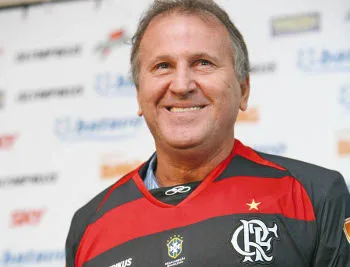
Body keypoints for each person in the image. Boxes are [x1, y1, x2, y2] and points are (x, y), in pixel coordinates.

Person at [65, 0, 350, 266]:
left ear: (244, 90)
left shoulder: (317, 196)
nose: (181, 85)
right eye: (163, 66)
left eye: (203, 63)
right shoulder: (89, 225)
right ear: (139, 96)